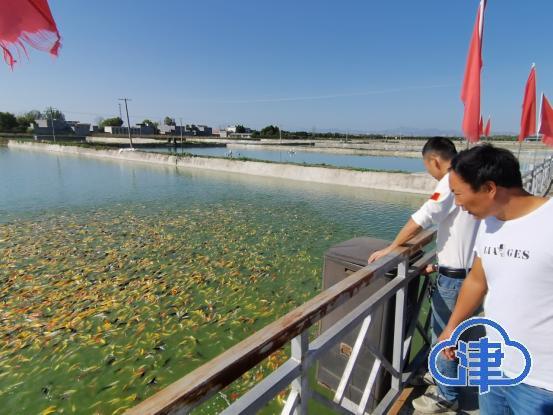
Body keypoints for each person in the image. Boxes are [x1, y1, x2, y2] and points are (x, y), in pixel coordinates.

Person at [439, 144, 553, 414]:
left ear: (490, 188)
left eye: (458, 194)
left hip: (541, 381)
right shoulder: (490, 221)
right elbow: (478, 280)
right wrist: (452, 327)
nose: (457, 204)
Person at [368, 137, 480, 413]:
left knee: (446, 335)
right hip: (461, 270)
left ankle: (446, 396)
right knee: (443, 332)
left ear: (434, 161)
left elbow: (422, 219)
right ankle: (438, 374)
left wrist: (392, 248)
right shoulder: (471, 177)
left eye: (427, 166)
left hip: (457, 278)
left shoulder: (451, 182)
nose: (429, 171)